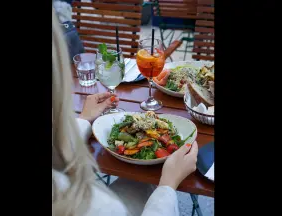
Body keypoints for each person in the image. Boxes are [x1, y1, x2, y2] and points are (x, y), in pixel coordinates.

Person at [52, 8, 199, 216]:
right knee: (146, 181)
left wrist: (84, 120)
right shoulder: (99, 208)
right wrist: (167, 185)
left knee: (138, 179)